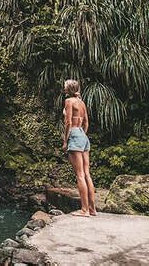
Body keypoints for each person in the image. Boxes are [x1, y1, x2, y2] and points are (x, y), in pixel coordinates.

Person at [62, 79, 97, 217]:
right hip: (83, 135)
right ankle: (92, 209)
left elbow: (68, 122)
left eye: (65, 86)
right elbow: (87, 123)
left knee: (80, 175)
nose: (63, 88)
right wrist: (82, 134)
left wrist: (66, 140)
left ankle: (84, 210)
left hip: (75, 134)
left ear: (69, 89)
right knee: (87, 174)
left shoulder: (69, 101)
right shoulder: (82, 102)